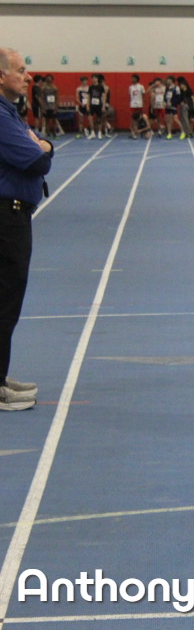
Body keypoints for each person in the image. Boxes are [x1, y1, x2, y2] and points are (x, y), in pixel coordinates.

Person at [0, 48, 50, 411]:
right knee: (5, 301)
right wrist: (42, 147)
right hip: (6, 218)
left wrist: (43, 145)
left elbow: (43, 145)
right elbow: (36, 160)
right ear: (1, 76)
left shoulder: (10, 112)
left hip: (15, 216)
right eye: (20, 70)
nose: (28, 76)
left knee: (8, 301)